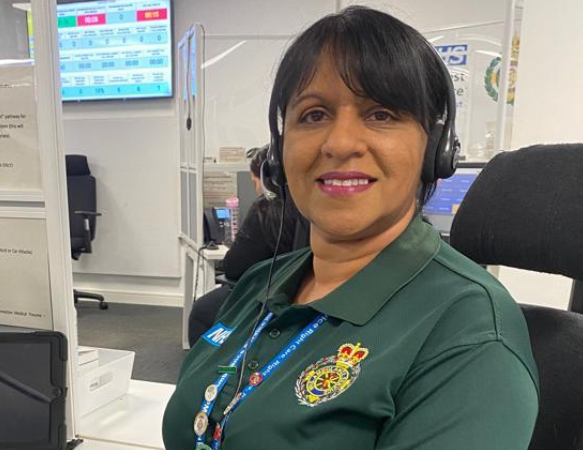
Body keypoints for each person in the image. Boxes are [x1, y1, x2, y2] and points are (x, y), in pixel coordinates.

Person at [163, 7, 538, 450]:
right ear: (280, 154)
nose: (340, 143)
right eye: (314, 115)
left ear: (435, 149)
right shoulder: (262, 285)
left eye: (380, 114)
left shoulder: (469, 333)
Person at [188, 146, 302, 346]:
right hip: (306, 289)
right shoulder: (311, 205)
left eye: (255, 182)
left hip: (268, 296)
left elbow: (234, 267)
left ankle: (209, 371)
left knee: (202, 310)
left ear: (267, 179)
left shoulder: (267, 210)